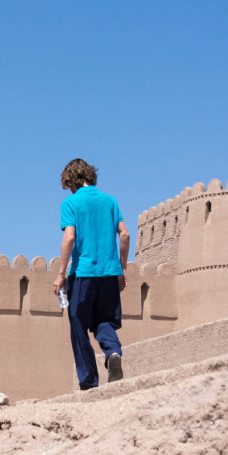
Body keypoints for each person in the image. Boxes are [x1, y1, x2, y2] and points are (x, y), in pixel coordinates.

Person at [51, 158, 131, 389]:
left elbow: (69, 237)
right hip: (109, 274)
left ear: (71, 181)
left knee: (79, 325)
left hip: (83, 273)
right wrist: (122, 268)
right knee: (104, 320)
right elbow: (124, 235)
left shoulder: (71, 203)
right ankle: (113, 353)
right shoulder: (110, 201)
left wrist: (61, 274)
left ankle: (88, 382)